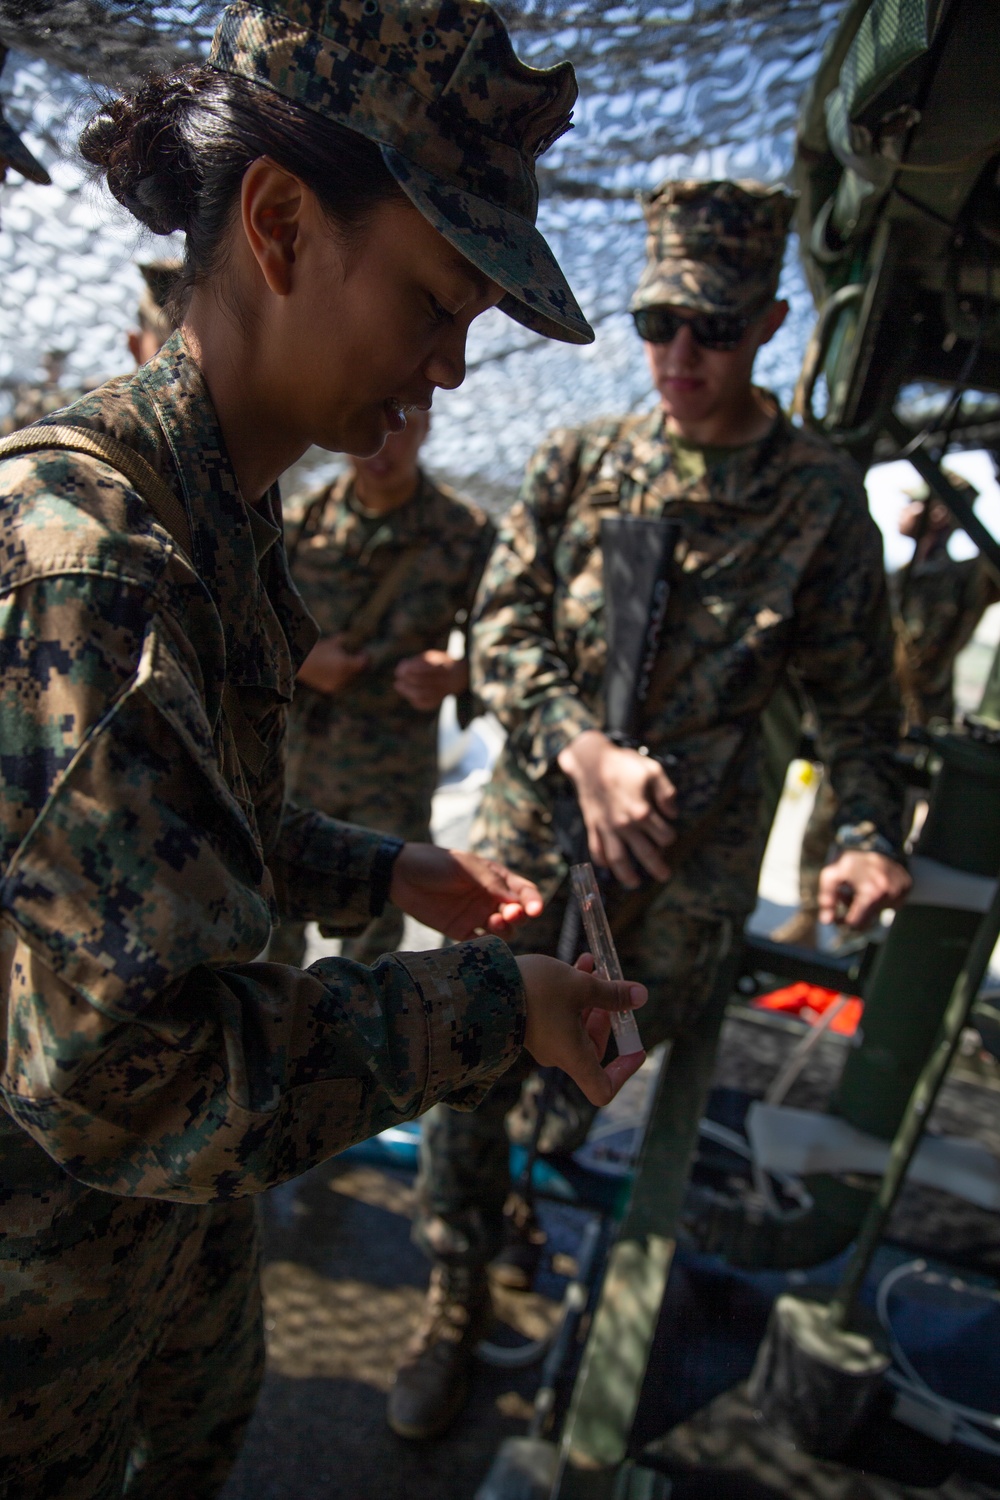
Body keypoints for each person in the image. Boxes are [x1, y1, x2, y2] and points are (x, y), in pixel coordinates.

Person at [0, 5, 650, 1496]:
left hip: (168, 1275)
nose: (453, 370)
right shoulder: (89, 566)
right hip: (50, 1337)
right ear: (282, 223)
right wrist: (501, 1008)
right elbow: (135, 1076)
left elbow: (159, 837)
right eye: (436, 303)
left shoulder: (217, 511)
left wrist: (385, 863)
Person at [388, 177, 913, 1441]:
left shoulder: (817, 499)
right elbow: (502, 626)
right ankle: (454, 1289)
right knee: (472, 1057)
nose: (680, 355)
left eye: (714, 329)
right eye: (657, 323)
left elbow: (859, 710)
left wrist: (866, 836)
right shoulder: (581, 464)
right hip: (530, 834)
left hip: (679, 879)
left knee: (591, 1071)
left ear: (772, 320)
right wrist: (580, 749)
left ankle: (530, 1206)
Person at [271, 409, 494, 967]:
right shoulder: (301, 520)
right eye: (372, 425)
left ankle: (354, 1046)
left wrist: (455, 676)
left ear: (426, 428)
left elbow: (502, 639)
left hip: (392, 771)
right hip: (297, 759)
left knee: (375, 929)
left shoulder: (464, 533)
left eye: (403, 426)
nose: (381, 447)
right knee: (273, 913)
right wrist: (301, 660)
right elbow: (250, 620)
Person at [773, 472, 999, 947]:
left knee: (890, 825)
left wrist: (962, 511)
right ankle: (810, 913)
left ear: (938, 512)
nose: (903, 514)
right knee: (823, 819)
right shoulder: (888, 576)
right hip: (866, 718)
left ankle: (860, 926)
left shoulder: (962, 579)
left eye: (915, 505)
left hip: (918, 724)